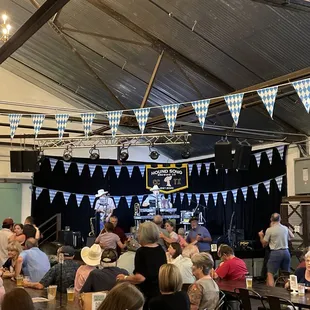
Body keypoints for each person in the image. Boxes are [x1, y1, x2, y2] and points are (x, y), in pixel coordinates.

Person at [116, 221, 167, 310]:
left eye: (139, 232)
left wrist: (124, 278)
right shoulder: (160, 249)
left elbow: (140, 278)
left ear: (144, 235)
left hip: (146, 294)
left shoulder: (141, 252)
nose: (137, 235)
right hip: (160, 292)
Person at [258, 213, 291, 286]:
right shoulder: (285, 228)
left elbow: (264, 243)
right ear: (280, 219)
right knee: (286, 274)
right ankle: (288, 292)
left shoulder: (270, 230)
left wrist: (261, 236)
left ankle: (272, 294)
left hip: (276, 252)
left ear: (271, 219)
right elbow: (291, 236)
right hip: (286, 252)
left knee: (270, 274)